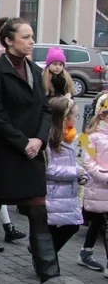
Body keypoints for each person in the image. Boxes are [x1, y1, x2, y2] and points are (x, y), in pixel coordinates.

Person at [0, 17, 66, 284]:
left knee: (39, 215)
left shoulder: (34, 70)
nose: (31, 41)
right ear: (9, 41)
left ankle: (51, 282)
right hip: (2, 155)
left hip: (31, 155)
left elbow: (45, 110)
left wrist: (38, 140)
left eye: (32, 36)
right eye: (26, 37)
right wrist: (22, 142)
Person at [44, 95, 85, 256]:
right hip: (53, 193)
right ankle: (46, 258)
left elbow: (74, 162)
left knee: (71, 225)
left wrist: (82, 175)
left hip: (66, 193)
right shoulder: (49, 138)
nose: (77, 118)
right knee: (55, 228)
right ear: (64, 118)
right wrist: (75, 173)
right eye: (75, 115)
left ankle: (44, 254)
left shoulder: (70, 136)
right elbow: (48, 169)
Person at [80, 93, 108, 273]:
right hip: (100, 187)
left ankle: (86, 251)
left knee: (98, 222)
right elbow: (88, 163)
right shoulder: (88, 137)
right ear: (102, 114)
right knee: (103, 224)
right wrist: (105, 177)